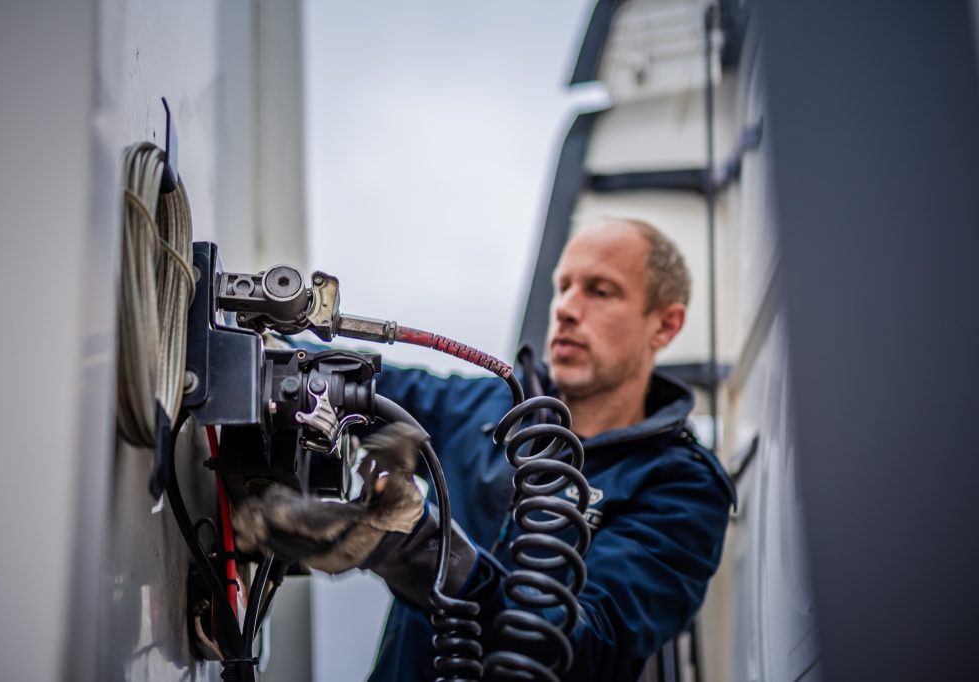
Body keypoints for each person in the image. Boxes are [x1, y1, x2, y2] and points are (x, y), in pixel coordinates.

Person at [234, 217, 736, 680]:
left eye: (600, 291)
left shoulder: (684, 487)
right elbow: (368, 385)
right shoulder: (490, 406)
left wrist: (426, 553)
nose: (566, 308)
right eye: (563, 287)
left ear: (665, 325)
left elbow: (593, 644)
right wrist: (264, 352)